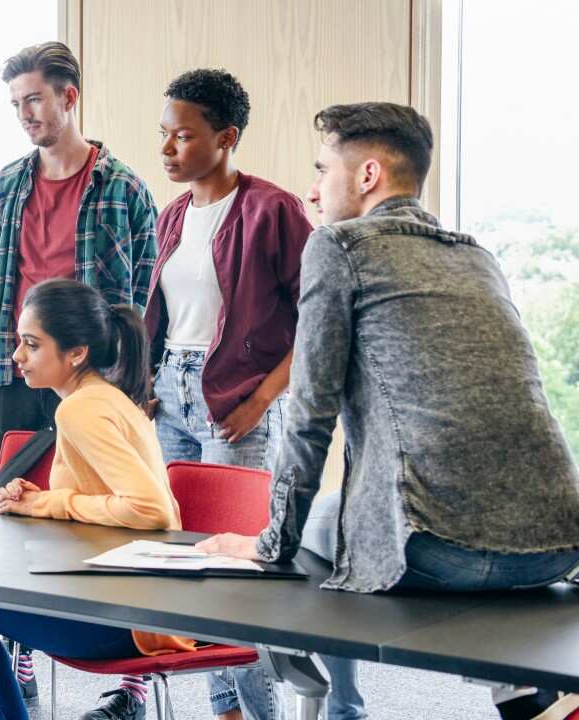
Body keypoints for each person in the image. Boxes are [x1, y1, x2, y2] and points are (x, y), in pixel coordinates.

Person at [197, 102, 579, 720]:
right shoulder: (479, 255)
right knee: (355, 521)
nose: (313, 189)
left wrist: (269, 546)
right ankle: (531, 700)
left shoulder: (340, 246)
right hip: (557, 545)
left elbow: (311, 409)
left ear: (368, 174)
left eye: (323, 169)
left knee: (317, 529)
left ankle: (323, 702)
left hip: (433, 550)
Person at [0, 41, 158, 718]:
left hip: (99, 379)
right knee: (17, 510)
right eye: (16, 103)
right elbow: (6, 280)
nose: (25, 114)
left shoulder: (126, 190)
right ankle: (20, 652)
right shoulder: (5, 186)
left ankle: (134, 683)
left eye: (34, 99)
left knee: (116, 517)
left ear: (69, 97)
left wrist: (134, 383)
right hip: (18, 371)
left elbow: (142, 294)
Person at [0, 278, 190, 720]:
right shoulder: (107, 399)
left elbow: (152, 511)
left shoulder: (79, 409)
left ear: (76, 353)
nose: (17, 357)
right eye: (19, 342)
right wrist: (43, 500)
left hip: (131, 620)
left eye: (32, 345)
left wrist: (55, 503)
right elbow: (106, 501)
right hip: (146, 607)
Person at [145, 69, 314, 720]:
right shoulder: (172, 217)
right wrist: (150, 385)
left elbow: (317, 324)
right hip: (174, 396)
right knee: (190, 567)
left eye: (182, 137)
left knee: (239, 575)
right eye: (163, 135)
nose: (167, 150)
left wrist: (263, 400)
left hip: (238, 402)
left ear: (227, 137)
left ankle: (267, 712)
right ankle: (228, 711)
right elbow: (164, 316)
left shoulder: (273, 211)